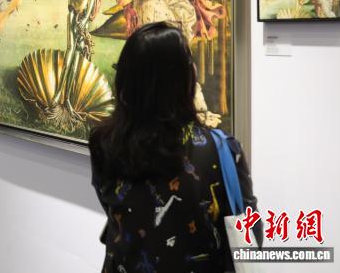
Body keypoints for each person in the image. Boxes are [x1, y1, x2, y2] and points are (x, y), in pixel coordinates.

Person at [89, 22, 259, 273]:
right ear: (184, 79)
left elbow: (113, 206)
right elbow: (250, 231)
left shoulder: (104, 144)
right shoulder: (220, 149)